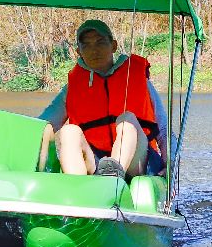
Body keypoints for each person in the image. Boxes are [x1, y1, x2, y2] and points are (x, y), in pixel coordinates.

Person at [39, 19, 168, 178]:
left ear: (113, 46)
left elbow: (163, 128)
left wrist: (170, 162)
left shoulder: (137, 77)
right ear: (79, 51)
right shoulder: (73, 87)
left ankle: (113, 174)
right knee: (69, 131)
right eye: (86, 45)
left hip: (139, 160)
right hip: (96, 161)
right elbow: (43, 123)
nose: (94, 50)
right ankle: (76, 186)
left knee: (127, 119)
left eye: (100, 42)